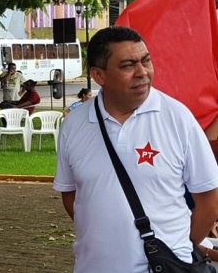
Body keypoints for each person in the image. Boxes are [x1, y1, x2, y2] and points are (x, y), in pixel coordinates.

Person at [53, 26, 218, 272]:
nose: (143, 73)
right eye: (128, 65)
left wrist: (174, 250)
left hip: (164, 267)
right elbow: (72, 196)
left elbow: (208, 200)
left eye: (146, 61)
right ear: (99, 76)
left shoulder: (177, 117)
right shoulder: (74, 125)